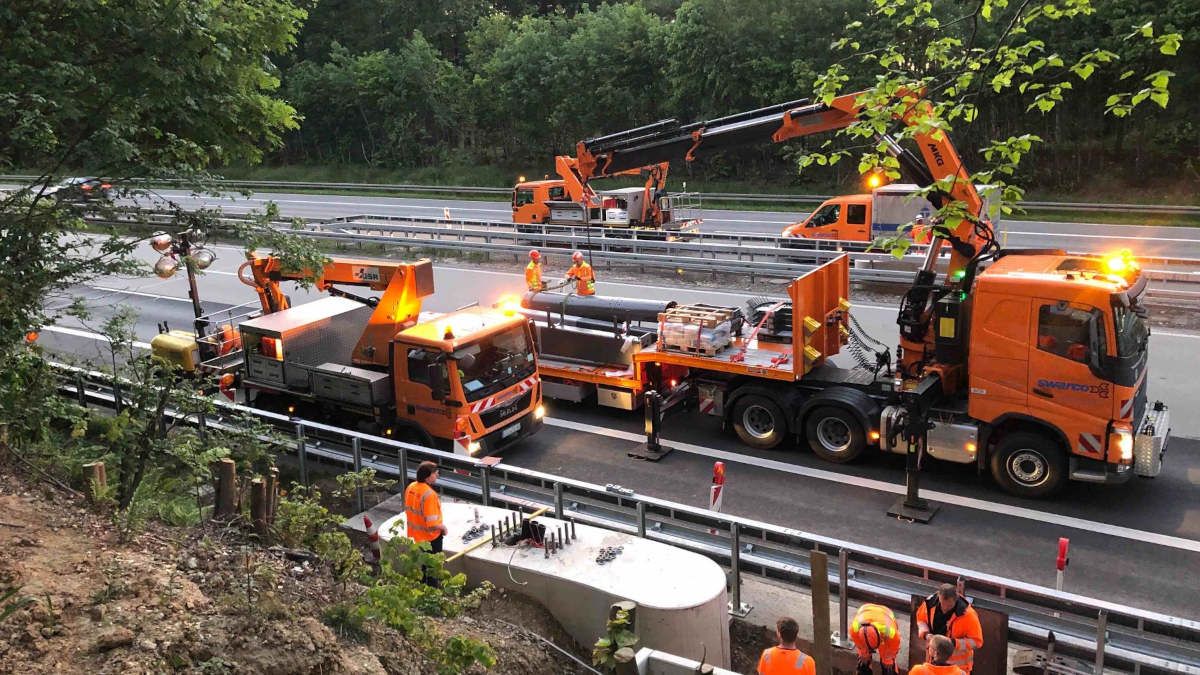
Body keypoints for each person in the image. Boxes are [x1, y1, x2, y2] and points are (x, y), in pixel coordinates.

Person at [916, 584, 983, 673]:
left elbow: (977, 642)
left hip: (958, 669)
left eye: (949, 606)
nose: (945, 608)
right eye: (942, 604)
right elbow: (921, 620)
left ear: (955, 600)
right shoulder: (929, 604)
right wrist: (926, 634)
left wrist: (953, 643)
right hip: (933, 664)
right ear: (939, 597)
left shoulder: (968, 615)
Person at [405, 461, 447, 553]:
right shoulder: (429, 495)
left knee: (425, 562)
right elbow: (432, 524)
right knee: (433, 565)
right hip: (431, 538)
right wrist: (443, 528)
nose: (437, 475)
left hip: (417, 536)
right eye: (435, 473)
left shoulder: (411, 487)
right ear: (427, 477)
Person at [849, 603, 900, 675]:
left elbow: (894, 646)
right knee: (863, 662)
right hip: (866, 610)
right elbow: (859, 644)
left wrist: (888, 659)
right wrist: (864, 653)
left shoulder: (890, 632)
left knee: (888, 666)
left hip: (885, 613)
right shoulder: (854, 629)